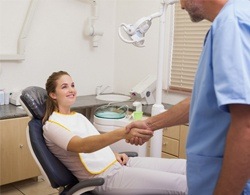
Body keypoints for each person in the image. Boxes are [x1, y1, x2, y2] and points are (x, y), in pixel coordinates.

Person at [126, 0, 250, 194]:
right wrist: (150, 124)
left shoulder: (232, 23)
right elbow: (203, 100)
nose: (181, 6)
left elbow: (247, 124)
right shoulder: (230, 21)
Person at [42, 70, 187, 195]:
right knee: (182, 184)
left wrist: (113, 154)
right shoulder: (52, 126)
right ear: (53, 94)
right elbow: (82, 146)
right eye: (64, 87)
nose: (71, 90)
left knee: (185, 167)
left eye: (72, 85)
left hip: (119, 163)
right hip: (105, 178)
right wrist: (123, 132)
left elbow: (96, 142)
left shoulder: (78, 117)